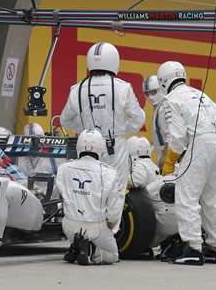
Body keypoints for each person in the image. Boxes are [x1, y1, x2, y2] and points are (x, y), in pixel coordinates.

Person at [157, 61, 216, 265]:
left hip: (199, 144)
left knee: (186, 197)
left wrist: (170, 161)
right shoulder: (202, 94)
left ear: (163, 82)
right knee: (210, 199)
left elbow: (177, 136)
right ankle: (215, 247)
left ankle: (194, 248)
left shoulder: (171, 99)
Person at [60, 42, 145, 193]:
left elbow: (65, 119)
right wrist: (122, 129)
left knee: (89, 190)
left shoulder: (77, 89)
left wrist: (86, 130)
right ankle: (112, 218)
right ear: (114, 61)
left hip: (87, 145)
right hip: (115, 145)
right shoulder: (122, 87)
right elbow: (138, 118)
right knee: (115, 191)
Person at [58, 129, 123, 266]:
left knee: (75, 226)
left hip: (69, 227)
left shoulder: (63, 168)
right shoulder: (109, 173)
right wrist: (110, 225)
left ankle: (76, 246)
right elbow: (114, 208)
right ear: (101, 148)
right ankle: (92, 250)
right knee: (113, 255)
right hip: (95, 228)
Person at [126, 135, 179, 253]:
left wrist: (120, 180)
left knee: (137, 247)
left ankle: (144, 248)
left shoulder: (139, 165)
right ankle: (170, 243)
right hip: (171, 215)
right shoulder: (152, 165)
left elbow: (136, 181)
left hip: (158, 219)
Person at [142, 74, 169, 166]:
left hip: (170, 159)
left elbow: (173, 135)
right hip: (164, 158)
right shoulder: (159, 108)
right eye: (147, 93)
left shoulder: (165, 107)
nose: (150, 96)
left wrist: (165, 157)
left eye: (153, 92)